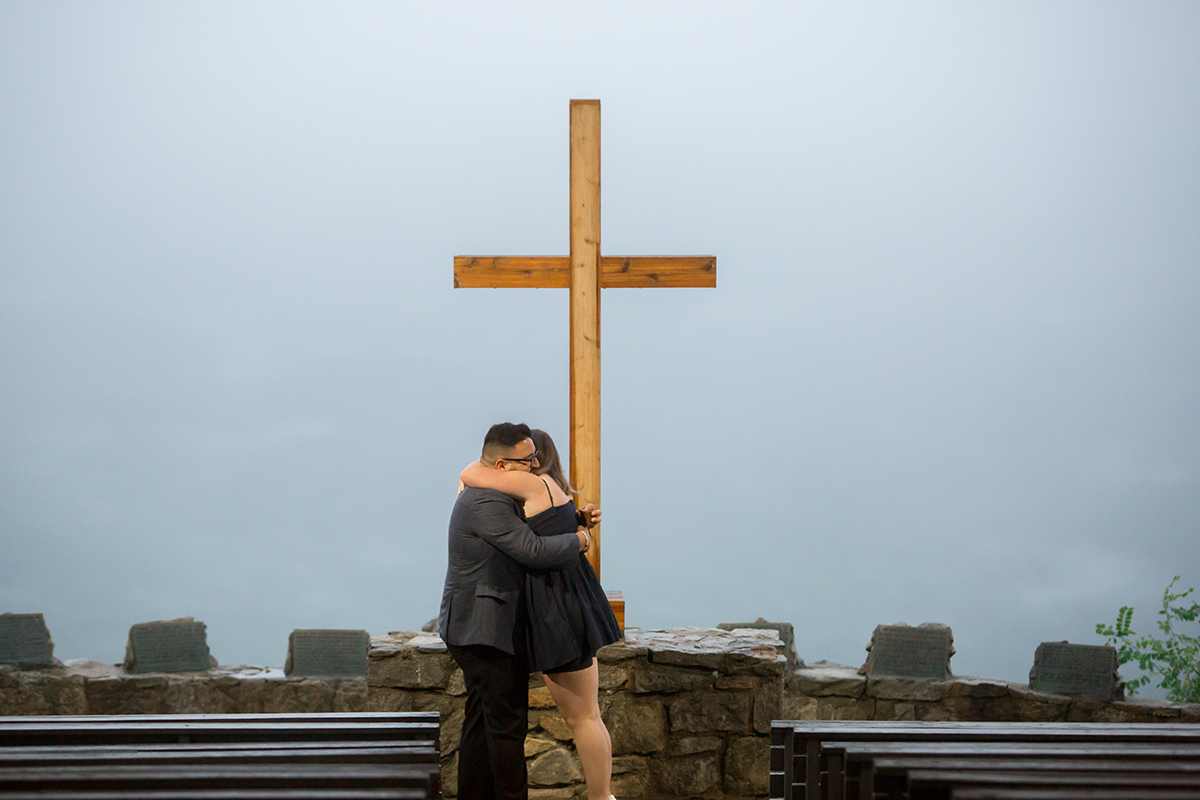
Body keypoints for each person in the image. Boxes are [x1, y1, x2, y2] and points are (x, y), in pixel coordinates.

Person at [460, 428, 621, 800]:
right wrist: (580, 527)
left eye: (531, 458)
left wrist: (470, 476)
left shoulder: (535, 485)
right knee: (587, 715)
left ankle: (602, 796)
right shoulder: (554, 490)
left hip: (558, 608)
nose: (527, 465)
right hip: (572, 600)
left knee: (582, 717)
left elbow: (472, 472)